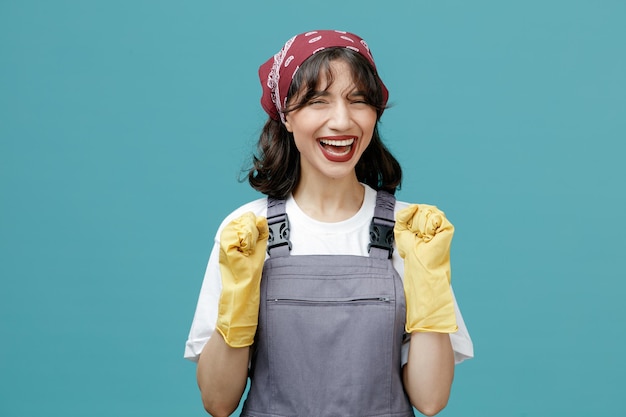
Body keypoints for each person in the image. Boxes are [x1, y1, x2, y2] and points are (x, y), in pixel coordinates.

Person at [184, 29, 474, 417]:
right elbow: (218, 402)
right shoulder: (246, 233)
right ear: (286, 116)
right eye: (318, 101)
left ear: (375, 114)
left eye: (358, 101)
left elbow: (431, 399)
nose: (342, 121)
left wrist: (430, 286)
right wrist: (238, 302)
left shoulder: (414, 232)